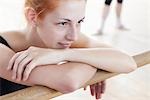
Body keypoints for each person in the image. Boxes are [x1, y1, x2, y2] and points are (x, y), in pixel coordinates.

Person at [0, 0, 137, 99]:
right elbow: (69, 80)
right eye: (63, 23)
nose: (73, 36)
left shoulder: (65, 39)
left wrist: (60, 55)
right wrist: (98, 62)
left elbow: (128, 62)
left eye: (79, 22)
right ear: (33, 17)